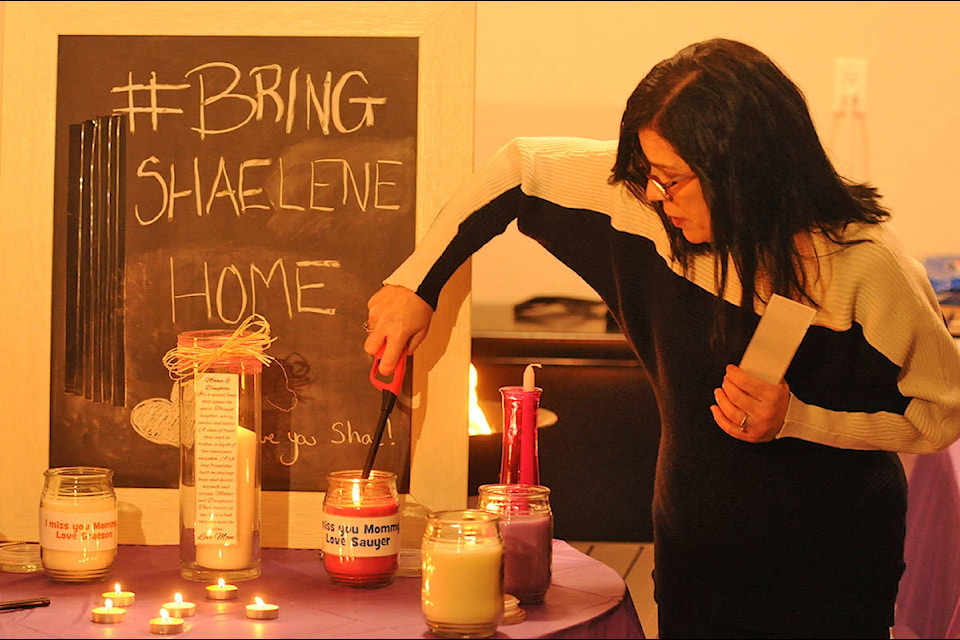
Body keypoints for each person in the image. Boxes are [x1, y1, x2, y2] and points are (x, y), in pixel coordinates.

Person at [362, 38, 960, 639]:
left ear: (746, 171)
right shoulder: (646, 210)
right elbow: (520, 167)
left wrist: (801, 419)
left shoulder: (864, 265)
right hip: (692, 550)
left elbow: (942, 414)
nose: (653, 194)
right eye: (649, 173)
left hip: (832, 566)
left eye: (673, 179)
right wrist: (416, 284)